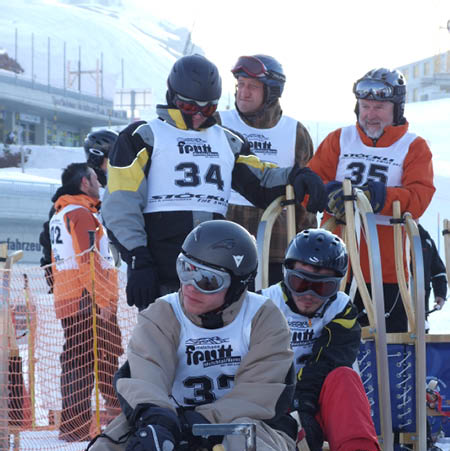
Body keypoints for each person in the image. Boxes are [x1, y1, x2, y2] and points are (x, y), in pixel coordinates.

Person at [13, 220, 315, 451]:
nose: (190, 286)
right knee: (120, 436)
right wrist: (158, 419)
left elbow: (261, 391)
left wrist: (198, 421)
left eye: (207, 280)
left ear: (237, 287)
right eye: (185, 269)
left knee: (250, 433)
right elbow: (145, 372)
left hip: (237, 450)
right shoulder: (164, 313)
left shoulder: (262, 317)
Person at [101, 54, 327, 310]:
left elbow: (261, 181)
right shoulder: (143, 137)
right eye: (189, 107)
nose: (198, 115)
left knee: (218, 346)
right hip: (162, 268)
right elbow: (120, 204)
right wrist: (137, 258)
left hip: (215, 272)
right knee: (162, 345)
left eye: (207, 109)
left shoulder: (228, 141)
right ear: (172, 96)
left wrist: (296, 176)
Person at [261, 228, 388, 451]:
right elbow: (259, 361)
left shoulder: (341, 310)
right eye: (299, 282)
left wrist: (304, 402)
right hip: (273, 397)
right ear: (286, 275)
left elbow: (331, 359)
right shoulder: (264, 305)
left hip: (318, 398)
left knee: (344, 376)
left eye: (321, 287)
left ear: (336, 286)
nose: (307, 295)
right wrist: (290, 404)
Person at [308, 68, 435, 333]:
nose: (370, 114)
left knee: (387, 349)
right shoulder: (339, 139)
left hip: (387, 271)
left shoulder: (414, 146)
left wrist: (379, 197)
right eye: (365, 106)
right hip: (334, 267)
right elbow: (310, 186)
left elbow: (420, 197)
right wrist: (328, 194)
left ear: (396, 109)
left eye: (379, 107)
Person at [216, 54, 316, 284]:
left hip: (277, 243)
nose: (243, 92)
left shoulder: (295, 132)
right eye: (240, 84)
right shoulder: (219, 124)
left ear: (271, 92)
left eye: (252, 86)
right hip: (223, 238)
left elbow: (306, 198)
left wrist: (306, 246)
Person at [49, 163, 122, 441]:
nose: (99, 182)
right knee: (102, 357)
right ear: (84, 183)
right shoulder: (80, 213)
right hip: (87, 299)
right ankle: (91, 423)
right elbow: (88, 259)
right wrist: (103, 300)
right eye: (94, 177)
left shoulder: (62, 213)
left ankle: (77, 423)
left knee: (80, 359)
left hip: (70, 296)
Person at [39, 129, 119, 291]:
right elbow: (50, 239)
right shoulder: (75, 197)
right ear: (97, 157)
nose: (117, 164)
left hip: (105, 281)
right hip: (83, 288)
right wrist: (52, 274)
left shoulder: (115, 190)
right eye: (112, 159)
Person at [417, 224, 447, 321]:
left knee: (421, 332)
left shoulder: (426, 240)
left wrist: (440, 294)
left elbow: (438, 271)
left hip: (420, 308)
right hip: (390, 306)